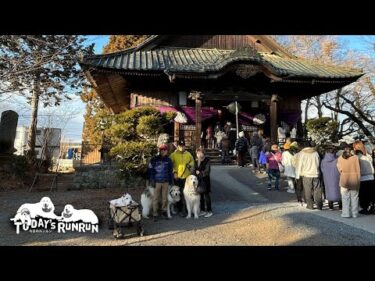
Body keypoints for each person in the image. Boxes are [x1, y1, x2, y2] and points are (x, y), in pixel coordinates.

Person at [148, 144, 174, 221]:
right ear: (160, 151)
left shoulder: (169, 160)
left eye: (165, 150)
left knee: (164, 198)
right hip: (157, 182)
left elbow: (170, 171)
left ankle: (164, 211)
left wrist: (171, 180)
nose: (163, 151)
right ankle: (155, 213)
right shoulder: (154, 159)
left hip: (165, 181)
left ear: (167, 151)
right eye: (162, 150)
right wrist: (152, 179)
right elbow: (151, 170)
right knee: (155, 198)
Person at [169, 140, 195, 217]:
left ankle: (185, 209)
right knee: (178, 193)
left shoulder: (188, 154)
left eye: (183, 146)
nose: (182, 147)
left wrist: (189, 165)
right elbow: (170, 165)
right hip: (177, 177)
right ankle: (179, 208)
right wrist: (174, 172)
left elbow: (192, 162)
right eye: (180, 146)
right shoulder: (173, 154)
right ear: (178, 146)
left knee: (186, 193)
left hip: (186, 177)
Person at [295, 142, 322, 210]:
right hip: (316, 174)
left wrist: (297, 176)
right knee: (317, 190)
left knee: (308, 190)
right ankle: (319, 205)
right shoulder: (315, 153)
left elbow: (299, 165)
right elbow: (318, 163)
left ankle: (310, 205)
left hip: (306, 174)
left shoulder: (302, 153)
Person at [337, 146, 361, 218]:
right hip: (354, 179)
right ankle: (354, 214)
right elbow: (359, 169)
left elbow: (339, 169)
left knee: (345, 198)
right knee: (355, 197)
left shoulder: (340, 158)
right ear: (351, 150)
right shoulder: (356, 158)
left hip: (344, 179)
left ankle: (346, 213)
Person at [353, 141, 375, 215]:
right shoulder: (367, 156)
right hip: (371, 177)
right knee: (371, 194)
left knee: (364, 195)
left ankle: (365, 209)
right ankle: (372, 208)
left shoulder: (357, 157)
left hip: (363, 177)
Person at [195, 148, 213, 218]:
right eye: (197, 153)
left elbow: (207, 171)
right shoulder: (197, 160)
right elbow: (195, 169)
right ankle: (202, 210)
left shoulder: (207, 160)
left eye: (200, 153)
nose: (198, 154)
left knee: (206, 196)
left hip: (205, 181)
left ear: (203, 153)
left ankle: (209, 210)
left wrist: (200, 173)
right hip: (199, 181)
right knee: (201, 196)